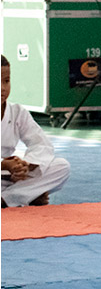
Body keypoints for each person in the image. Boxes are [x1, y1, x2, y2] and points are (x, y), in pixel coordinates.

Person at [1, 55, 70, 208]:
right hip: (4, 170)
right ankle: (25, 196)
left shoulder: (17, 112)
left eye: (6, 81)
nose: (3, 88)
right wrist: (3, 165)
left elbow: (42, 145)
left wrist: (26, 165)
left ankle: (8, 198)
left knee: (61, 166)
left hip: (10, 178)